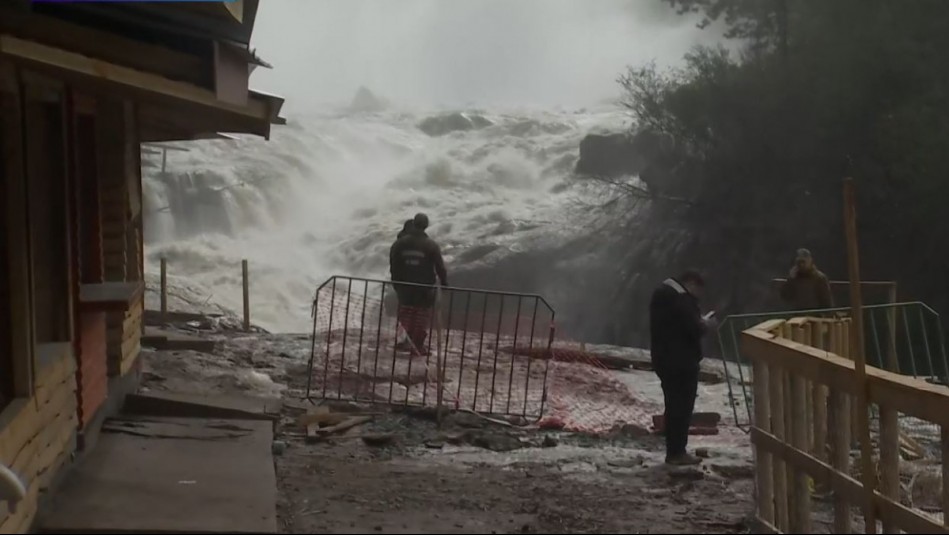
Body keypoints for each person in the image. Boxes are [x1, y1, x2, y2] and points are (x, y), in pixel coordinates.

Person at [649, 270, 715, 466]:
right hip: (681, 361)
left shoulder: (662, 293)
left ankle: (674, 450)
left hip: (664, 359)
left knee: (673, 405)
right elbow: (693, 328)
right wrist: (706, 324)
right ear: (691, 283)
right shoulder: (681, 299)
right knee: (682, 407)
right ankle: (677, 452)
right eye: (698, 291)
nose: (697, 296)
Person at [389, 213, 448, 356]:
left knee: (406, 314)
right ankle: (418, 346)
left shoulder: (399, 243)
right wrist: (444, 283)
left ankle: (405, 341)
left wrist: (396, 283)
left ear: (414, 223)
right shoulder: (431, 245)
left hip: (404, 286)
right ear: (426, 225)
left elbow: (394, 264)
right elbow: (440, 266)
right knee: (421, 316)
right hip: (424, 288)